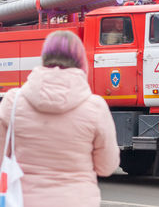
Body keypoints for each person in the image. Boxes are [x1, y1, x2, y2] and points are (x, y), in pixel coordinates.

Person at [0, 30, 120, 207]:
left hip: (24, 200)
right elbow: (107, 166)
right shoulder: (95, 107)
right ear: (81, 61)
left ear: (44, 57)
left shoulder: (13, 102)